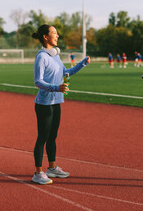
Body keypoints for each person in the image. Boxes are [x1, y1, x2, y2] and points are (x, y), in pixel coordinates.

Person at [31, 24, 90, 185]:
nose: (57, 36)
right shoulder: (42, 57)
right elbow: (38, 81)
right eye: (54, 33)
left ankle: (52, 168)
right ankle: (38, 172)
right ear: (45, 37)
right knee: (42, 137)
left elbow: (66, 73)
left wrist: (82, 64)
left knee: (53, 136)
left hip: (56, 102)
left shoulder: (55, 55)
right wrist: (56, 87)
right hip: (44, 104)